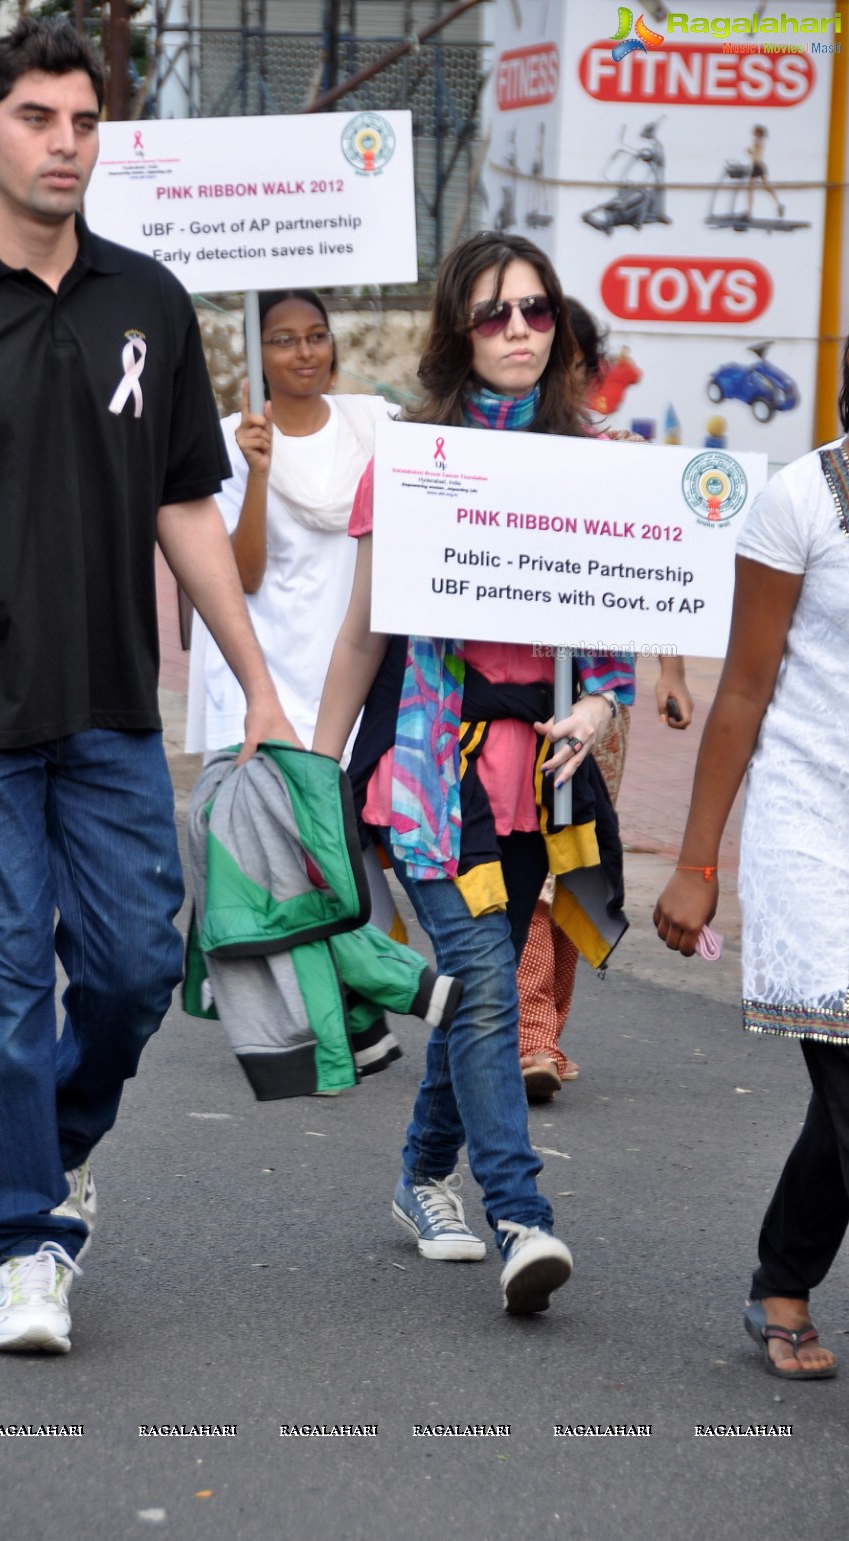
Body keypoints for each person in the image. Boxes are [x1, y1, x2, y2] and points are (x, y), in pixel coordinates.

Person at [0, 17, 295, 1355]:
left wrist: (255, 685)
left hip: (108, 713)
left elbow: (185, 508)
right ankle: (27, 1242)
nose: (66, 145)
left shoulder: (146, 301)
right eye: (37, 118)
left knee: (142, 965)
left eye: (84, 123)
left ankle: (56, 1142)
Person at [313, 231, 633, 1317]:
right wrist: (315, 769)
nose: (519, 332)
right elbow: (363, 635)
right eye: (495, 313)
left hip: (539, 782)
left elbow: (615, 629)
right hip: (429, 776)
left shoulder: (594, 460)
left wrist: (601, 698)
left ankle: (418, 1176)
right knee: (490, 981)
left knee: (480, 979)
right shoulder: (407, 460)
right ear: (459, 328)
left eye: (538, 311)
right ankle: (522, 1214)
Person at [652, 348, 849, 1382]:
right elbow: (743, 687)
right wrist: (695, 859)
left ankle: (783, 1271)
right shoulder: (799, 500)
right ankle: (782, 1273)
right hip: (811, 823)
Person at [516, 296, 693, 1100]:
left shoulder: (624, 457)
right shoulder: (491, 453)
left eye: (571, 356)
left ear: (588, 366)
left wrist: (671, 673)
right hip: (509, 697)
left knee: (572, 860)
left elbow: (664, 568)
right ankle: (529, 1033)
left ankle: (545, 1030)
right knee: (526, 865)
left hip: (598, 702)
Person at [185, 288, 392, 760]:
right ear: (255, 353)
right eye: (283, 340)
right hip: (261, 687)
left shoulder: (377, 426)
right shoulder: (228, 442)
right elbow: (244, 577)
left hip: (349, 680)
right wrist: (259, 473)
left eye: (316, 336)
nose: (304, 352)